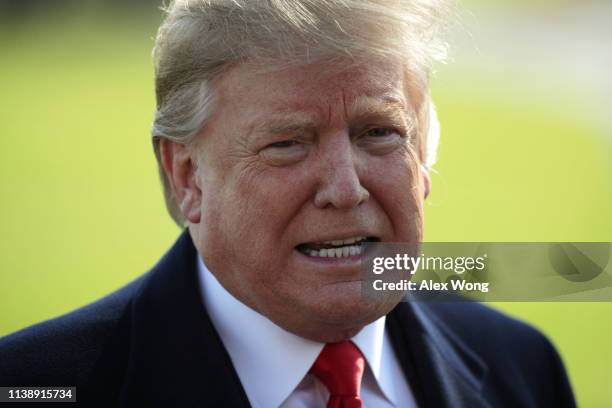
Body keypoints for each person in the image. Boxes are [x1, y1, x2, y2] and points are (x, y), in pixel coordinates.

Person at [0, 1, 576, 407]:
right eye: (287, 145)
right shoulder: (33, 382)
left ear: (423, 158)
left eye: (379, 132)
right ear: (186, 177)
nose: (346, 188)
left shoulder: (520, 366)